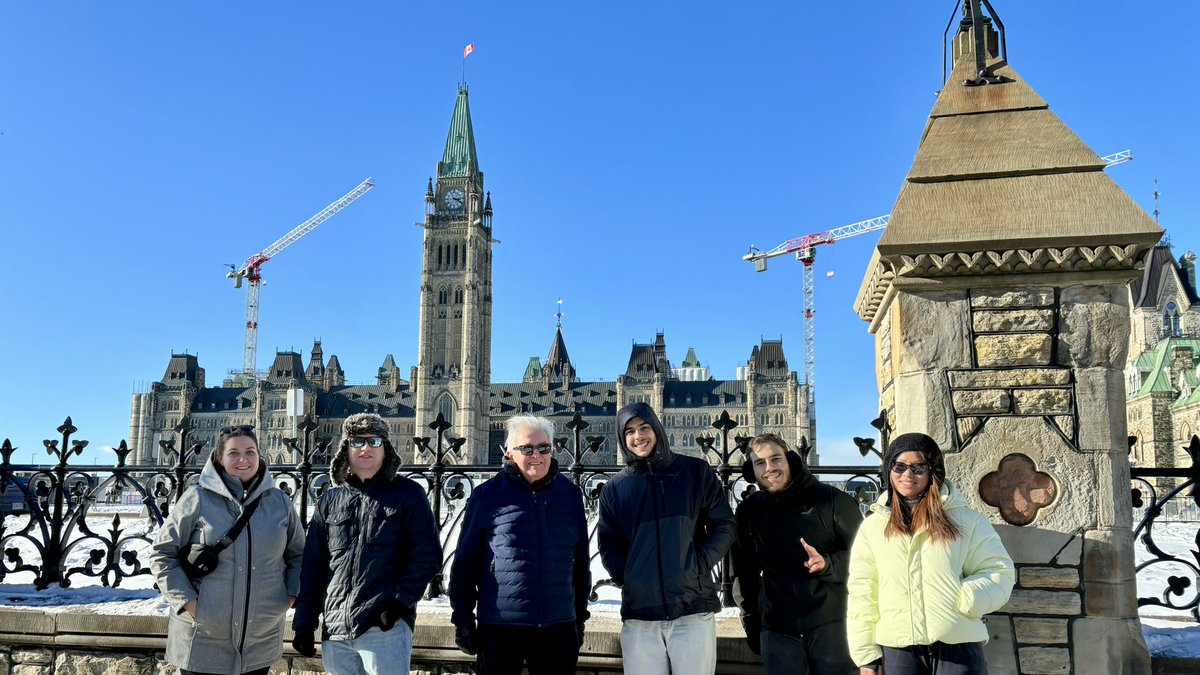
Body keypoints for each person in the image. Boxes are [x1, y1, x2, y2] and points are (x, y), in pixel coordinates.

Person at [846, 432, 1015, 675]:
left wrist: (966, 598)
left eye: (918, 467)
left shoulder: (966, 521)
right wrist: (866, 656)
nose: (907, 474)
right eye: (899, 466)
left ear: (932, 471)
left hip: (957, 646)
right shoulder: (873, 528)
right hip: (898, 651)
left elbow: (999, 570)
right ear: (889, 470)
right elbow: (863, 591)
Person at [291, 413, 441, 675]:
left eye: (374, 441)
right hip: (336, 629)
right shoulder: (329, 500)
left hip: (384, 627)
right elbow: (313, 566)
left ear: (386, 448)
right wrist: (304, 622)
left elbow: (427, 556)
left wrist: (398, 604)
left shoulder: (408, 494)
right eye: (357, 442)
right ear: (345, 450)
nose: (365, 448)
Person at [151, 425, 306, 675]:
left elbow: (299, 555)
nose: (243, 460)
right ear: (219, 458)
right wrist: (190, 603)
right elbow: (162, 555)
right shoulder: (197, 498)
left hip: (260, 640)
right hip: (202, 638)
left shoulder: (279, 502)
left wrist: (286, 598)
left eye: (250, 452)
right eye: (234, 453)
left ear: (259, 456)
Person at [597, 401, 737, 675]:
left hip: (692, 608)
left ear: (657, 428)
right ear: (622, 439)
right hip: (641, 614)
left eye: (644, 427)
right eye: (629, 432)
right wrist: (629, 577)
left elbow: (724, 524)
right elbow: (609, 543)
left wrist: (699, 564)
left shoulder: (695, 472)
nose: (638, 436)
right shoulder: (615, 488)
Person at [448, 415, 591, 674]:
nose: (536, 455)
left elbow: (581, 564)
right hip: (500, 628)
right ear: (509, 453)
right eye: (527, 448)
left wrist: (579, 619)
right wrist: (463, 620)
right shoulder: (486, 496)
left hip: (558, 628)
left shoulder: (570, 495)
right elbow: (465, 564)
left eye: (544, 447)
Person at [732, 432, 863, 674]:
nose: (769, 468)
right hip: (777, 632)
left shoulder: (833, 501)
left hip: (833, 627)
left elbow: (867, 561)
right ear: (752, 470)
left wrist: (828, 564)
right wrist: (753, 624)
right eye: (760, 463)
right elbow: (743, 574)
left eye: (776, 459)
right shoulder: (749, 511)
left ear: (790, 460)